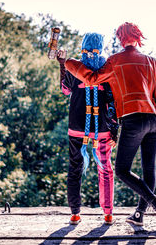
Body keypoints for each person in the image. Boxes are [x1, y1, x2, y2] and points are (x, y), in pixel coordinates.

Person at [62, 22, 156, 227]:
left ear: (120, 38)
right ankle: (139, 215)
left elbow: (92, 79)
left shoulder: (115, 61)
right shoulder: (150, 61)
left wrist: (69, 63)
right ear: (138, 37)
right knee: (149, 169)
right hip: (154, 120)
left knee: (121, 170)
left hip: (133, 119)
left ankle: (155, 203)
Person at [57, 33, 118, 225]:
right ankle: (107, 213)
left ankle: (75, 213)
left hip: (77, 126)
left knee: (75, 168)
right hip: (102, 128)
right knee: (105, 169)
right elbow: (113, 100)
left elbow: (65, 89)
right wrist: (115, 130)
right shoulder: (107, 69)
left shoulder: (75, 67)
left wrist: (62, 64)